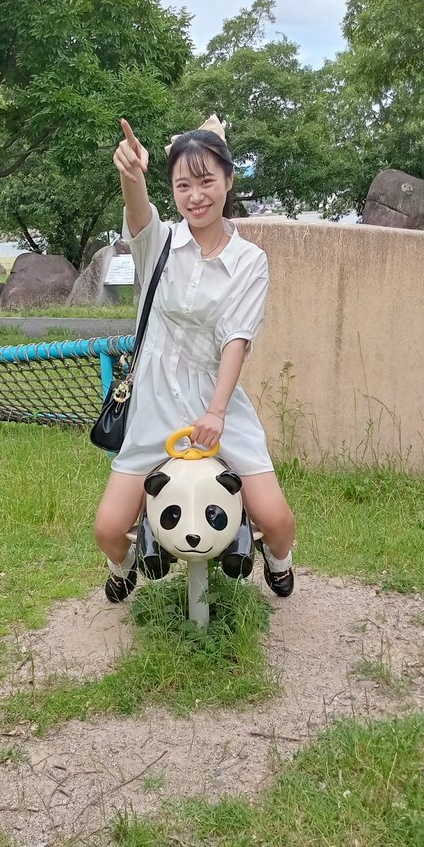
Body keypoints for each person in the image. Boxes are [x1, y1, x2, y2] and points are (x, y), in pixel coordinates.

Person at [95, 115, 295, 603]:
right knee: (108, 528)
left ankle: (278, 559)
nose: (195, 195)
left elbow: (236, 339)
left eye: (206, 181)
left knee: (276, 519)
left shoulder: (249, 261)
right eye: (183, 185)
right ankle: (124, 566)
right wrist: (131, 174)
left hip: (214, 399)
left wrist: (217, 412)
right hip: (154, 401)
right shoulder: (160, 243)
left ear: (229, 180)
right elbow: (138, 211)